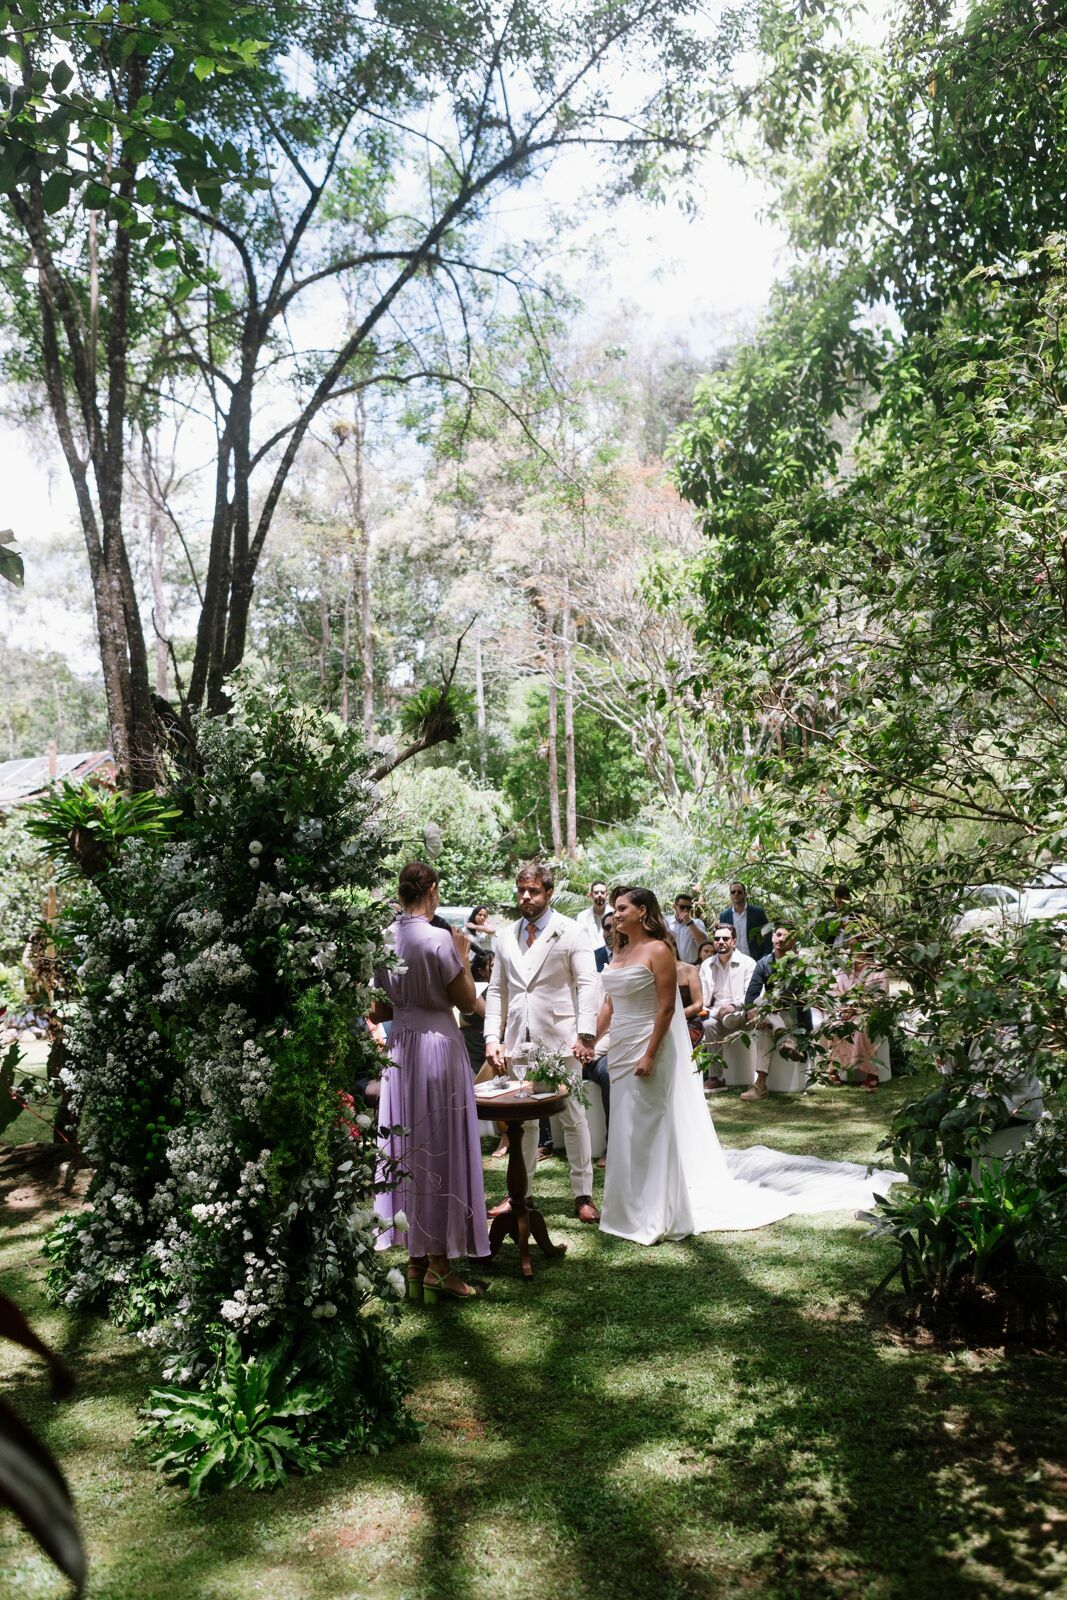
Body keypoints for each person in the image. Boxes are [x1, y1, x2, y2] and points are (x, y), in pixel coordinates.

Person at [594, 886, 902, 1245]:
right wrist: (588, 1038)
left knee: (650, 1126)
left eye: (622, 908)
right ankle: (623, 1208)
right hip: (620, 1048)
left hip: (649, 1047)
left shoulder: (658, 950)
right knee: (624, 1128)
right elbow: (609, 1005)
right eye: (615, 910)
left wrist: (649, 1054)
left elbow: (666, 1008)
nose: (616, 915)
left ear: (643, 911)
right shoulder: (619, 950)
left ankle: (655, 1212)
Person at [373, 861, 490, 1302]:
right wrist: (462, 959)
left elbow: (378, 1010)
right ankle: (440, 1265)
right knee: (439, 1150)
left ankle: (415, 1264)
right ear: (434, 891)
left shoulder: (385, 938)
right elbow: (468, 1002)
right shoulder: (440, 938)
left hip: (401, 1051)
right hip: (438, 1049)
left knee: (407, 1150)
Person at [484, 862, 600, 1223]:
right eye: (520, 890)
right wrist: (492, 1037)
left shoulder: (571, 930)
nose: (525, 897)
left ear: (548, 893)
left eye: (532, 891)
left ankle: (583, 1193)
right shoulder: (504, 936)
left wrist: (585, 1034)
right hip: (519, 1039)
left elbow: (587, 983)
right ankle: (521, 1194)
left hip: (562, 1038)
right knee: (524, 1120)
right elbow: (498, 991)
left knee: (573, 1115)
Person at [739, 924, 810, 1102]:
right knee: (759, 1004)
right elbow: (750, 996)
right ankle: (784, 1040)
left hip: (794, 1015)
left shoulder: (798, 965)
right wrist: (755, 1014)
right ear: (772, 937)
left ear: (793, 941)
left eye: (785, 937)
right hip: (772, 1016)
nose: (780, 939)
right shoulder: (763, 963)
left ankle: (760, 1085)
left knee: (764, 1005)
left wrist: (764, 1012)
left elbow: (789, 997)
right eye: (777, 934)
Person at [699, 923, 756, 1092]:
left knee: (735, 1015)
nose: (721, 942)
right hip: (714, 1015)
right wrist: (711, 1012)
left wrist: (732, 1006)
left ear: (734, 941)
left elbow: (753, 996)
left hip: (742, 1014)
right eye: (717, 939)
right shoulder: (706, 965)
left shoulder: (748, 963)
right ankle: (715, 1077)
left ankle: (730, 1018)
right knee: (706, 1022)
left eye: (725, 938)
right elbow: (702, 999)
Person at [719, 881, 772, 962]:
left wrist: (765, 958)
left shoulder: (758, 912)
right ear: (730, 895)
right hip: (732, 961)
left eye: (739, 892)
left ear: (745, 894)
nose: (736, 894)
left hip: (755, 960)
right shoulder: (724, 915)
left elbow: (767, 935)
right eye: (733, 892)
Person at [665, 892, 708, 965]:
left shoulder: (697, 923)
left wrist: (689, 923)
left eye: (688, 908)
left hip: (692, 966)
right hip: (673, 966)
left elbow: (703, 943)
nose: (685, 910)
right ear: (674, 907)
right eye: (682, 907)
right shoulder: (666, 923)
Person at [576, 880, 610, 958]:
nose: (599, 895)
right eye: (596, 892)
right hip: (588, 957)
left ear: (607, 895)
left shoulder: (614, 914)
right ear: (591, 895)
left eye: (602, 892)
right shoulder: (582, 916)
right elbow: (580, 941)